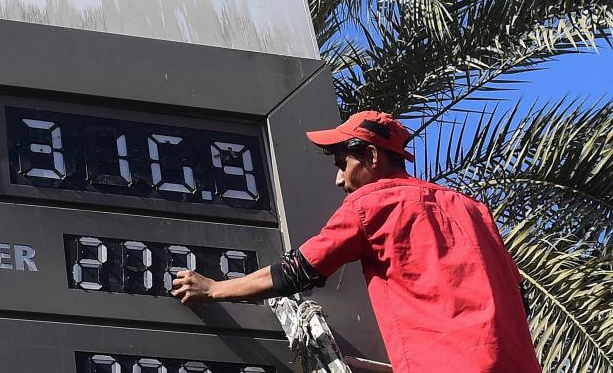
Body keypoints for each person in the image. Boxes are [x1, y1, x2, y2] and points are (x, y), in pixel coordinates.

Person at [172, 110, 541, 373]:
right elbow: (516, 294)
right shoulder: (472, 209)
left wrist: (213, 289)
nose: (338, 180)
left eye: (341, 163)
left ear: (372, 156)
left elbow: (295, 272)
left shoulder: (370, 205)